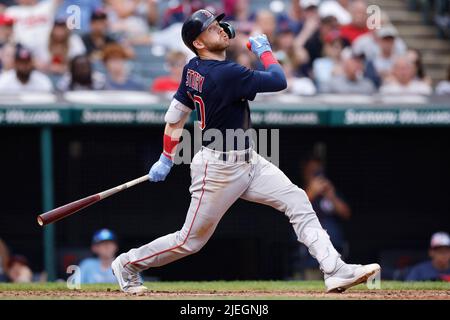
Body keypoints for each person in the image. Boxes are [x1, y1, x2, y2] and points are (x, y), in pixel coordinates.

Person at [111, 9, 380, 294]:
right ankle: (128, 263)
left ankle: (334, 269)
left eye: (218, 24)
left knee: (297, 200)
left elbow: (176, 115)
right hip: (218, 171)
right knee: (189, 241)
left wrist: (167, 156)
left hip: (249, 161)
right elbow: (279, 80)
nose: (220, 29)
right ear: (198, 43)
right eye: (211, 28)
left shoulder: (192, 68)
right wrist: (264, 51)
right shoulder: (227, 74)